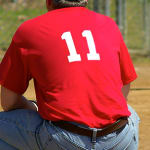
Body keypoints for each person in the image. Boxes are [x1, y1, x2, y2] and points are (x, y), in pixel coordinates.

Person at [0, 0, 140, 149]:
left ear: (48, 2)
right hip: (120, 138)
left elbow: (9, 102)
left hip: (64, 140)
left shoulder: (29, 29)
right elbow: (124, 87)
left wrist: (34, 107)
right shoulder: (108, 24)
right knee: (131, 113)